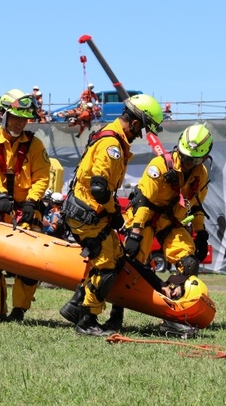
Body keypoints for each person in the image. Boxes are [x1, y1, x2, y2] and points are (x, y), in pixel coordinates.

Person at [60, 93, 164, 336]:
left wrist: (112, 212)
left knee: (116, 259)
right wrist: (114, 213)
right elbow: (98, 187)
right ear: (136, 123)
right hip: (88, 213)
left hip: (89, 210)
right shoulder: (112, 144)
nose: (139, 135)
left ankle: (75, 306)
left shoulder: (111, 136)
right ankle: (87, 321)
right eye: (141, 130)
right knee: (106, 265)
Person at [107, 123, 214, 331]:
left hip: (170, 222)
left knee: (189, 264)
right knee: (130, 265)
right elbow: (143, 201)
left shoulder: (200, 174)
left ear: (205, 157)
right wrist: (136, 232)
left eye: (195, 159)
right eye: (185, 156)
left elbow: (196, 206)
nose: (188, 162)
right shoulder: (160, 165)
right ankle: (115, 316)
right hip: (143, 217)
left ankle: (174, 310)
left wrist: (201, 233)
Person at [0, 88, 51, 323]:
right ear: (4, 115)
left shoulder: (35, 145)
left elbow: (42, 176)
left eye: (24, 119)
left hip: (28, 210)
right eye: (15, 117)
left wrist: (32, 200)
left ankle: (19, 310)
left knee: (29, 264)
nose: (20, 123)